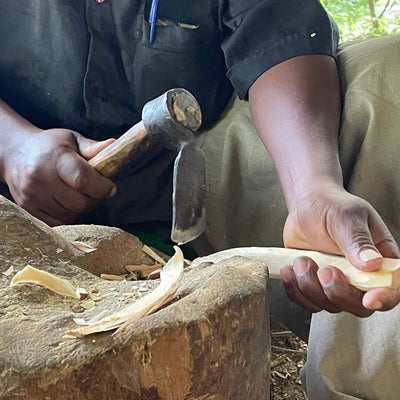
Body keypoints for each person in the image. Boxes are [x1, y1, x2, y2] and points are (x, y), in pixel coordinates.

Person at [1, 1, 400, 398]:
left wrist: (312, 185)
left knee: (387, 73)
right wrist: (12, 147)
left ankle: (359, 380)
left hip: (195, 171)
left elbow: (278, 32)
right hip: (14, 183)